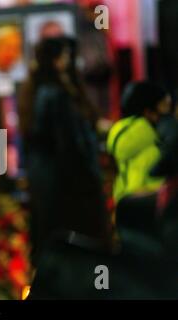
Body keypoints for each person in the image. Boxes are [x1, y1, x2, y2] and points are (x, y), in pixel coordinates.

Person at [19, 37, 110, 266]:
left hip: (48, 184)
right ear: (58, 60)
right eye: (66, 56)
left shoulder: (35, 92)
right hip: (67, 186)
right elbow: (70, 144)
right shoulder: (56, 95)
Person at [106, 82, 171, 203]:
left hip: (124, 201)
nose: (168, 111)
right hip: (150, 203)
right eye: (164, 105)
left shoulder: (121, 131)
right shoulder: (153, 138)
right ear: (149, 112)